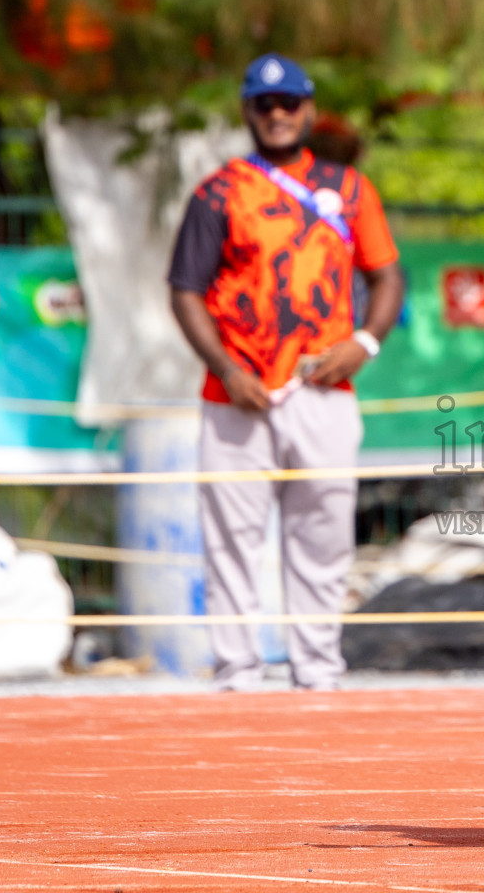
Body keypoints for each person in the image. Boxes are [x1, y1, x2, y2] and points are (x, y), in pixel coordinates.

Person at [167, 54, 404, 691]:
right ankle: (238, 672)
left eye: (289, 103)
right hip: (235, 395)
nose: (277, 114)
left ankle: (318, 671)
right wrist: (224, 366)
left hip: (324, 391)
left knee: (323, 539)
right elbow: (185, 289)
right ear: (246, 110)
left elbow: (387, 276)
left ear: (307, 108)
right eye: (264, 104)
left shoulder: (350, 188)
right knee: (232, 540)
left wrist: (365, 342)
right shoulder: (218, 192)